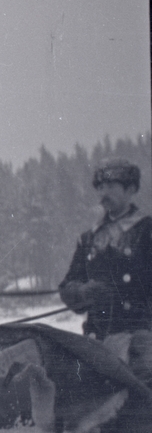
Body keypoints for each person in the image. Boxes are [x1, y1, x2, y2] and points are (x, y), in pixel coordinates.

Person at [59, 158, 152, 380]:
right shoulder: (89, 239)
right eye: (101, 187)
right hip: (98, 344)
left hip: (141, 345)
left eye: (111, 186)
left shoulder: (146, 230)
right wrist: (82, 292)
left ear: (130, 189)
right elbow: (67, 286)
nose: (104, 193)